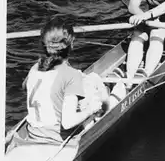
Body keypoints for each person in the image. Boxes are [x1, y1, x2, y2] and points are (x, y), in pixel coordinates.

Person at [22, 16, 108, 144]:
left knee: (89, 81)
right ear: (71, 44)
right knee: (101, 89)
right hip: (58, 139)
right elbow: (68, 123)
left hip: (34, 133)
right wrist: (91, 109)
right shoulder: (71, 75)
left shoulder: (35, 67)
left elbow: (25, 87)